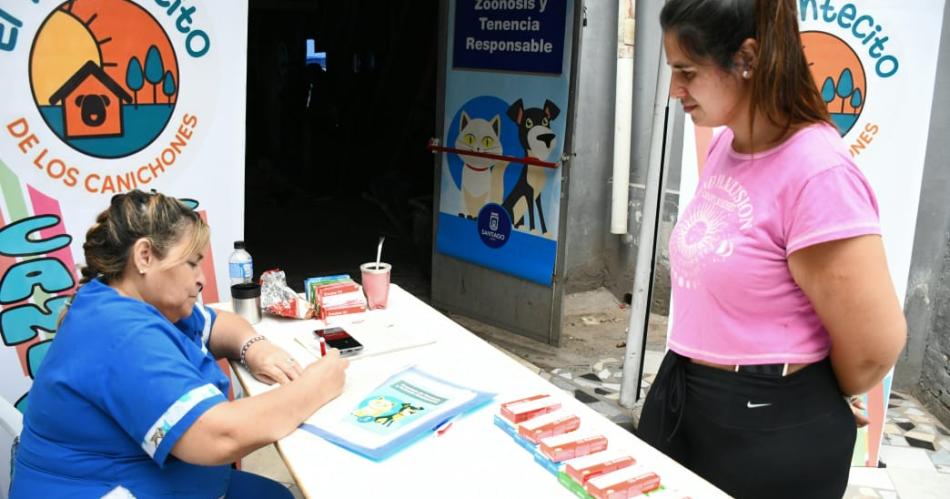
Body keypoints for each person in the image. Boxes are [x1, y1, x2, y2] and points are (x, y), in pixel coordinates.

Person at [637, 1, 906, 498]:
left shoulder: (817, 174)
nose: (675, 90)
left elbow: (876, 344)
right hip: (687, 392)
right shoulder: (727, 145)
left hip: (763, 423)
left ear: (747, 58)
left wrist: (806, 394)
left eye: (687, 72)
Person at [11, 190, 349, 498]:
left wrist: (256, 347)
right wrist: (317, 386)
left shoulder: (132, 300)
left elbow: (220, 324)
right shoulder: (121, 333)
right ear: (145, 256)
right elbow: (219, 436)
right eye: (191, 263)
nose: (201, 278)